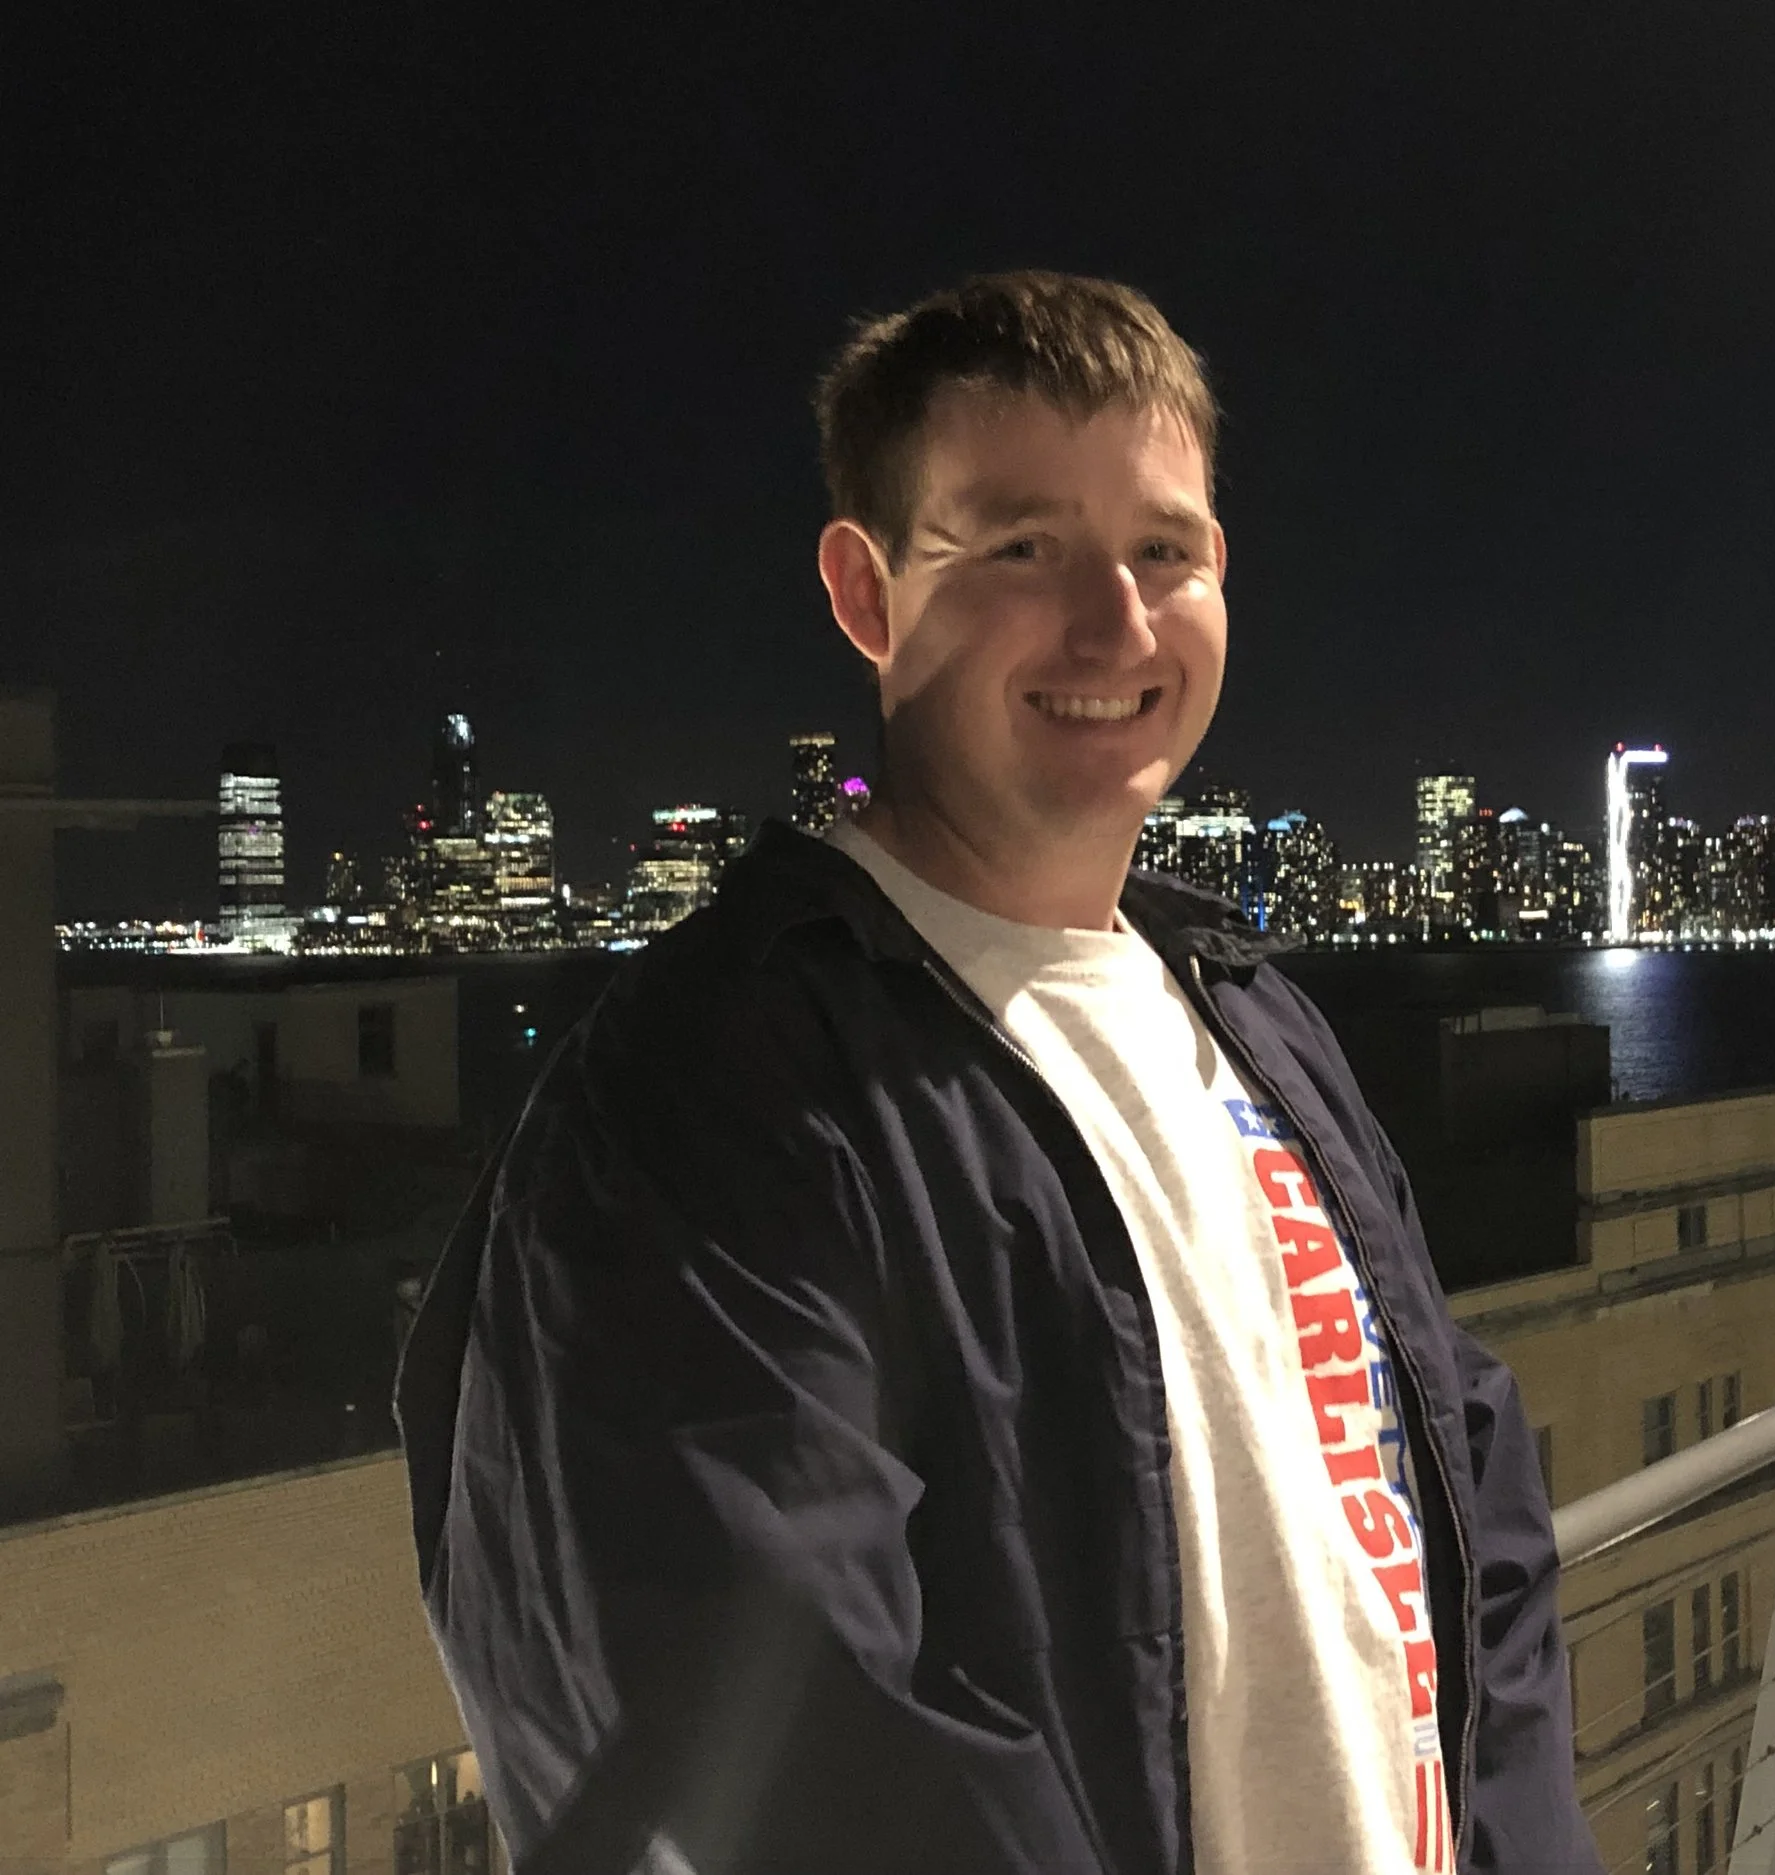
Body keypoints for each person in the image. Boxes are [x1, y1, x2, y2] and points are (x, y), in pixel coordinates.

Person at [396, 271, 1598, 1875]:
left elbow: (1468, 1481)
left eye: (1163, 550)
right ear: (868, 591)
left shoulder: (1256, 1019)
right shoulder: (714, 1087)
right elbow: (763, 1751)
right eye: (1023, 547)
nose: (1118, 623)